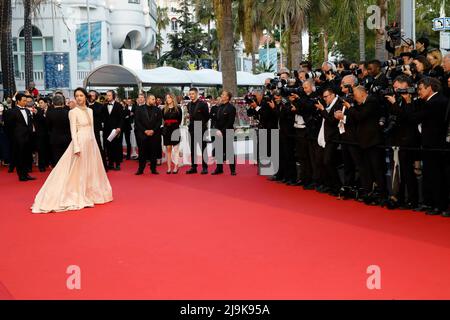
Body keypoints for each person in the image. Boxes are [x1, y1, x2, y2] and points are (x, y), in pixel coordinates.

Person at [31, 88, 113, 213]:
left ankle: (90, 193)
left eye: (81, 95)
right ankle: (77, 193)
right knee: (77, 170)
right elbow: (73, 132)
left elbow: (91, 129)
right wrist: (76, 146)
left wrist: (95, 145)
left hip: (91, 142)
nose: (79, 98)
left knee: (90, 169)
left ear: (86, 97)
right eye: (76, 96)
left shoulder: (90, 111)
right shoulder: (72, 112)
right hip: (79, 142)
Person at [8, 93, 36, 181]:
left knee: (27, 156)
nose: (25, 102)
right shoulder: (12, 111)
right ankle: (21, 175)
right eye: (24, 101)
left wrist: (31, 132)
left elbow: (30, 123)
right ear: (18, 101)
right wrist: (14, 136)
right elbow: (10, 125)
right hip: (18, 138)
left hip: (28, 137)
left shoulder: (27, 111)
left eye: (26, 101)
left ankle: (26, 174)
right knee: (20, 157)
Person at [134, 95, 162, 175]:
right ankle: (140, 169)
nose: (154, 101)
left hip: (154, 134)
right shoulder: (139, 109)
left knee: (154, 153)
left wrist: (153, 130)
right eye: (153, 99)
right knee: (142, 153)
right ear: (148, 99)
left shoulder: (157, 109)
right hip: (143, 134)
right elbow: (137, 121)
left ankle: (153, 169)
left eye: (154, 99)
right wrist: (145, 130)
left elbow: (159, 122)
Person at [211, 90, 237, 176]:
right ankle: (219, 169)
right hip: (218, 132)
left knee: (229, 151)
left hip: (228, 132)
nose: (221, 95)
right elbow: (215, 120)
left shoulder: (231, 108)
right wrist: (217, 130)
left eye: (223, 95)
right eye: (221, 94)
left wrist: (222, 131)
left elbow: (230, 122)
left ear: (227, 97)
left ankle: (232, 170)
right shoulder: (219, 107)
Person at [186, 88, 210, 174]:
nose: (191, 95)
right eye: (190, 94)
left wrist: (201, 124)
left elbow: (207, 116)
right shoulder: (188, 105)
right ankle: (194, 167)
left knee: (203, 148)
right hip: (191, 129)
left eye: (192, 94)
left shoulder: (203, 104)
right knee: (193, 149)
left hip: (201, 128)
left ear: (196, 94)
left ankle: (205, 167)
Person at [46, 94, 71, 166]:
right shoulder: (68, 112)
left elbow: (48, 126)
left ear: (53, 103)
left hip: (54, 138)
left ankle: (57, 173)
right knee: (66, 157)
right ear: (62, 102)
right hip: (67, 138)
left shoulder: (49, 113)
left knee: (56, 157)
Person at [103, 90, 123, 171]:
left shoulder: (119, 105)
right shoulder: (104, 106)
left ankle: (117, 164)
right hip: (107, 130)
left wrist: (119, 127)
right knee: (108, 147)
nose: (108, 97)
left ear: (113, 96)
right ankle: (110, 163)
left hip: (116, 130)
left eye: (109, 95)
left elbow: (121, 118)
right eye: (107, 95)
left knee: (117, 147)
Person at [162, 93, 182, 174]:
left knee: (176, 149)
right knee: (168, 149)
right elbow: (163, 120)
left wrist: (174, 125)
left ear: (173, 98)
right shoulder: (163, 109)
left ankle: (176, 166)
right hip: (167, 130)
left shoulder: (178, 109)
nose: (168, 99)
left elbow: (180, 120)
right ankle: (169, 167)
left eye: (169, 97)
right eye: (166, 98)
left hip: (175, 129)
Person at [88, 90, 107, 170]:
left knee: (99, 147)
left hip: (96, 130)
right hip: (86, 130)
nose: (91, 97)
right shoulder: (84, 105)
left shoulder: (100, 106)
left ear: (96, 97)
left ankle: (103, 166)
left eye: (93, 95)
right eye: (89, 95)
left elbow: (100, 116)